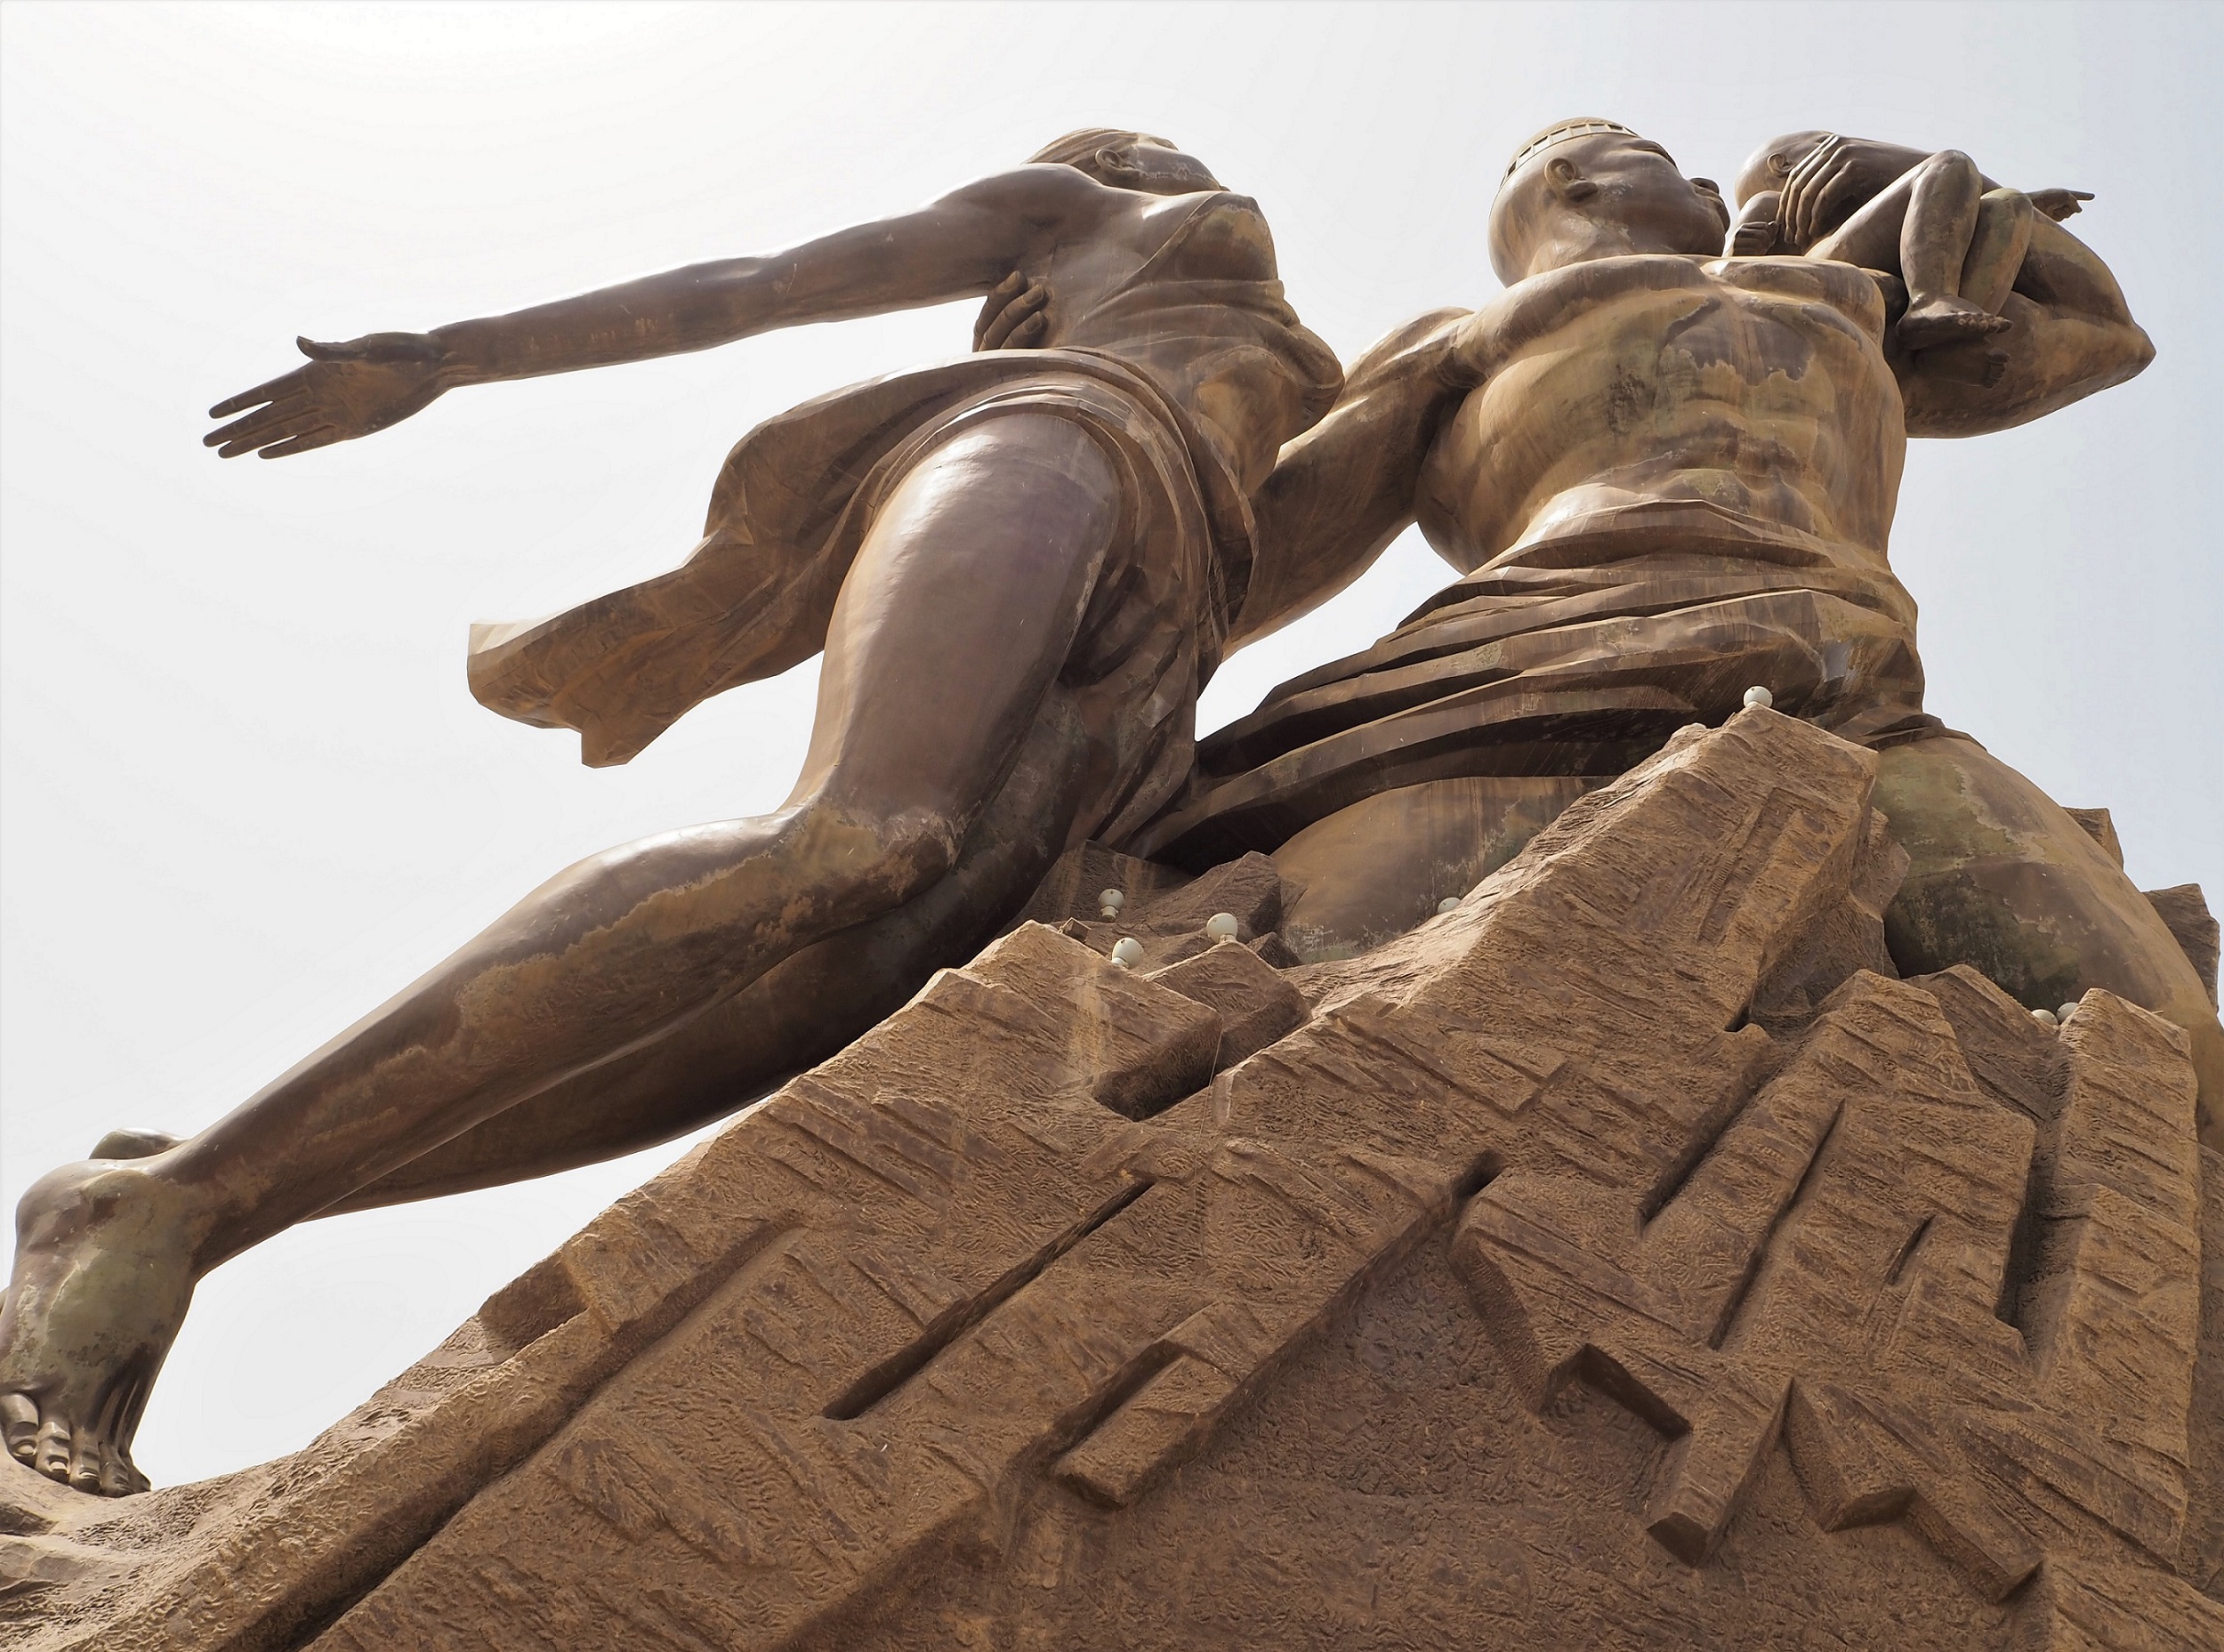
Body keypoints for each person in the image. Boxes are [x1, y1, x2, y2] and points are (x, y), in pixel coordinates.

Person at [0, 129, 1340, 1496]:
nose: (1174, 152)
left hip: (1173, 619)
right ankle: (153, 1209)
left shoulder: (1283, 364)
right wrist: (454, 352)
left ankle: (192, 1196)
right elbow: (769, 282)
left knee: (840, 989)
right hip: (1062, 446)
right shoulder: (1097, 209)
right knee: (864, 836)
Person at [1132, 118, 2219, 1140]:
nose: (1704, 178)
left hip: (1848, 695)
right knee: (1278, 1008)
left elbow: (2102, 333)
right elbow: (1233, 568)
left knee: (2162, 1056)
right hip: (1521, 684)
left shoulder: (1838, 294)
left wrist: (1868, 163)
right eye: (1655, 152)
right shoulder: (1463, 343)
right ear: (1567, 179)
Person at [1723, 129, 2094, 351]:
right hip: (1819, 262)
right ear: (1782, 164)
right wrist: (1741, 247)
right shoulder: (1771, 201)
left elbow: (1945, 213)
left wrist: (2032, 203)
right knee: (1949, 163)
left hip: (1850, 254)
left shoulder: (1866, 211)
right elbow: (1725, 269)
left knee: (2007, 206)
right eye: (1823, 141)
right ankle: (1929, 299)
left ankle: (1956, 343)